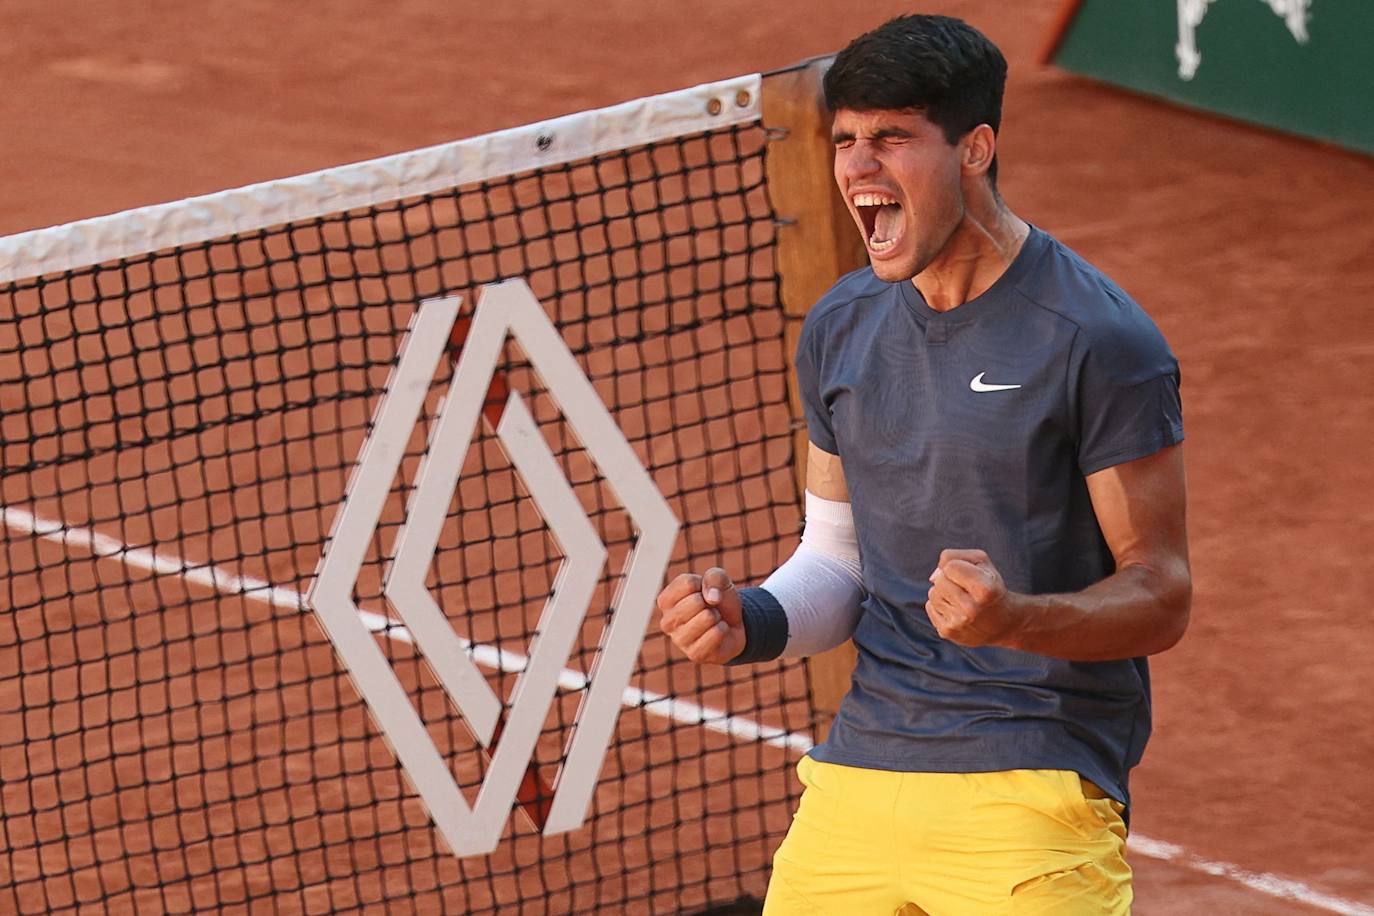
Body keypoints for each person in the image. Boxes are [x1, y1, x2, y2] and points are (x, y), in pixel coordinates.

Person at [656, 14, 1190, 915]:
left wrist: (1014, 617)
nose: (859, 168)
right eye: (847, 140)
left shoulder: (1097, 340)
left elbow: (1163, 593)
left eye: (893, 138)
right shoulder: (841, 326)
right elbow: (837, 563)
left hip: (1033, 786)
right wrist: (748, 618)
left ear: (975, 148)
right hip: (860, 771)